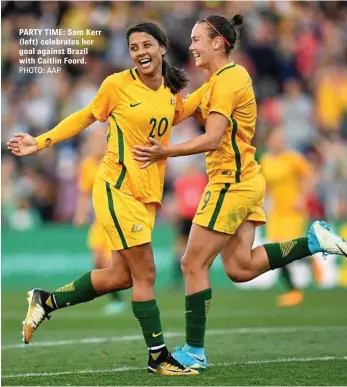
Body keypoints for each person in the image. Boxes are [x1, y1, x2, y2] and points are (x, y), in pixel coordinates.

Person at [132, 14, 347, 370]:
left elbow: (213, 137)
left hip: (230, 182)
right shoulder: (218, 80)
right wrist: (146, 91)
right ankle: (313, 242)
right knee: (239, 267)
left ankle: (195, 353)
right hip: (245, 180)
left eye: (197, 39)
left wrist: (163, 151)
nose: (191, 46)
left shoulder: (230, 81)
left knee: (192, 263)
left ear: (218, 42)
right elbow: (179, 111)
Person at [8, 21, 204, 376]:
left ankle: (47, 300)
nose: (140, 52)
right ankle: (158, 357)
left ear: (162, 48)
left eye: (147, 45)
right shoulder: (117, 85)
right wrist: (41, 142)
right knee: (146, 274)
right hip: (117, 188)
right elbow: (84, 117)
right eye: (133, 47)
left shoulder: (172, 90)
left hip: (146, 196)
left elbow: (185, 114)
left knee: (120, 276)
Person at [261, 127, 322, 307]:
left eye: (281, 138)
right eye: (275, 138)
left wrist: (302, 198)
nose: (278, 141)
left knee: (290, 248)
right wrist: (264, 202)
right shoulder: (265, 160)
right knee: (277, 254)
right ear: (269, 141)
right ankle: (293, 291)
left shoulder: (293, 158)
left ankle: (312, 259)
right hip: (276, 214)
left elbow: (310, 177)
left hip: (293, 212)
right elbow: (266, 186)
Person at [74, 126, 126, 314]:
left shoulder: (113, 161)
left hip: (116, 218)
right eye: (94, 141)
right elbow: (84, 192)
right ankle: (117, 299)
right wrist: (80, 213)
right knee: (97, 261)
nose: (97, 144)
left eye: (101, 140)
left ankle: (121, 298)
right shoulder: (87, 164)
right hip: (99, 220)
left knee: (109, 262)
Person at [171, 164, 207, 288]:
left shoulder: (201, 180)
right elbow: (178, 199)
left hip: (198, 217)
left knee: (199, 249)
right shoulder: (181, 182)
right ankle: (177, 280)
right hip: (185, 217)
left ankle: (199, 278)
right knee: (180, 249)